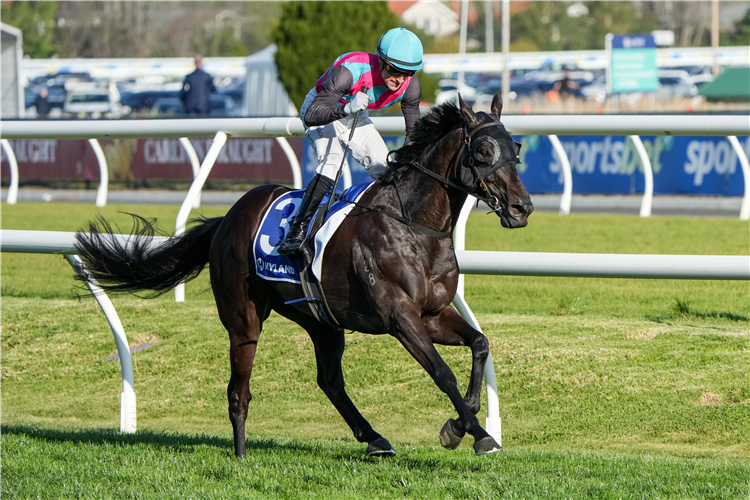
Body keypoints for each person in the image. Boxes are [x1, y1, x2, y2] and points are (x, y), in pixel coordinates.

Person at [277, 27, 423, 257]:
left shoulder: (411, 86)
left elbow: (414, 131)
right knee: (332, 163)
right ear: (382, 61)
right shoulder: (350, 71)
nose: (400, 79)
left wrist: (406, 157)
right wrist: (345, 108)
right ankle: (297, 230)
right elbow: (312, 114)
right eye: (395, 70)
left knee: (387, 171)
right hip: (322, 106)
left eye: (408, 72)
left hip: (355, 114)